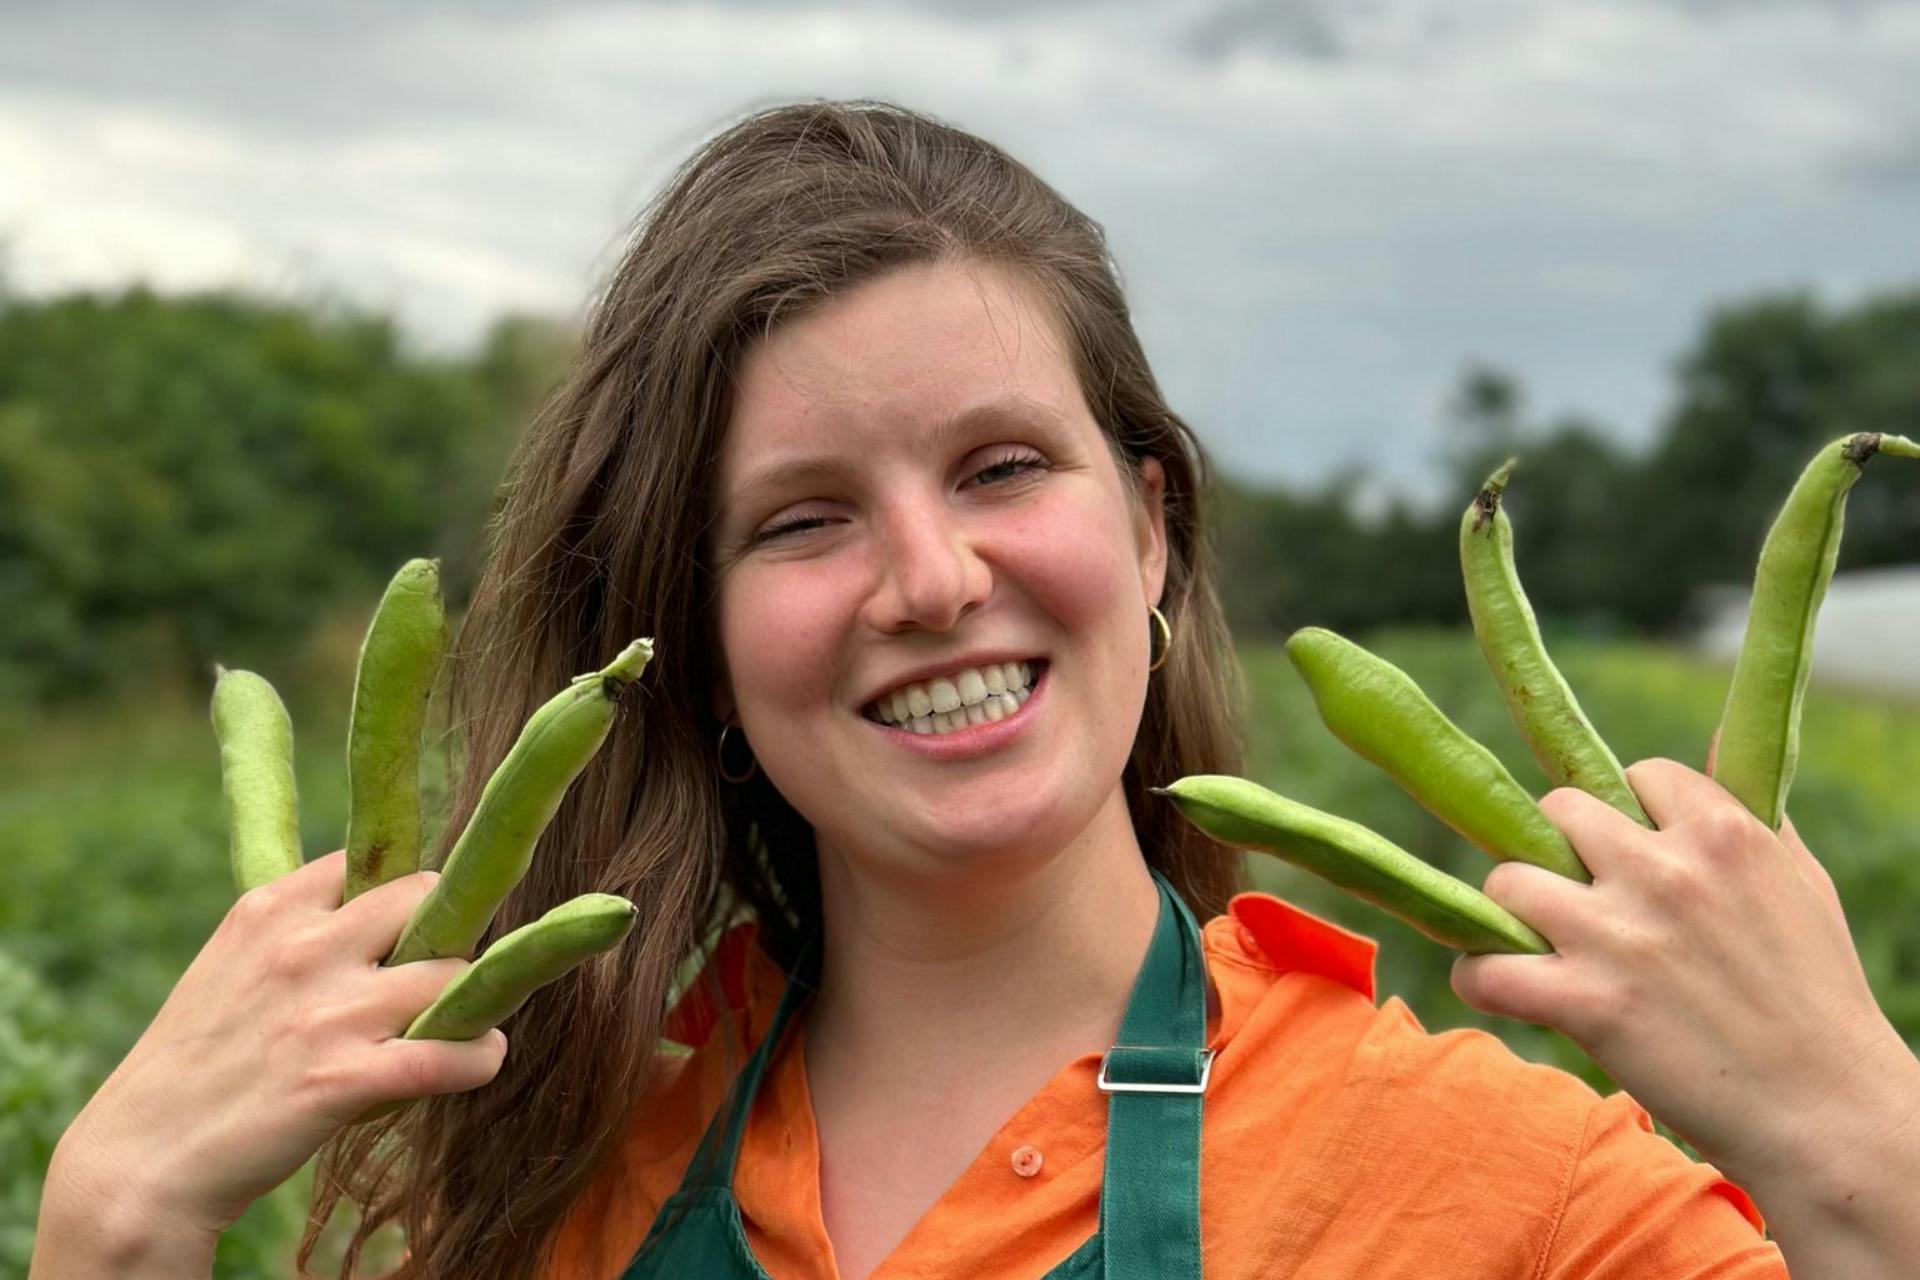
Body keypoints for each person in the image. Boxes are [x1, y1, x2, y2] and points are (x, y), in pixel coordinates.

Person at [31, 99, 1920, 1280]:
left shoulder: (1499, 1202)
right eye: (800, 522)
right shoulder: (557, 1185)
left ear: (1153, 524)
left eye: (1004, 468)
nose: (932, 584)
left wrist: (1856, 1141)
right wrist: (116, 1223)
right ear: (688, 635)